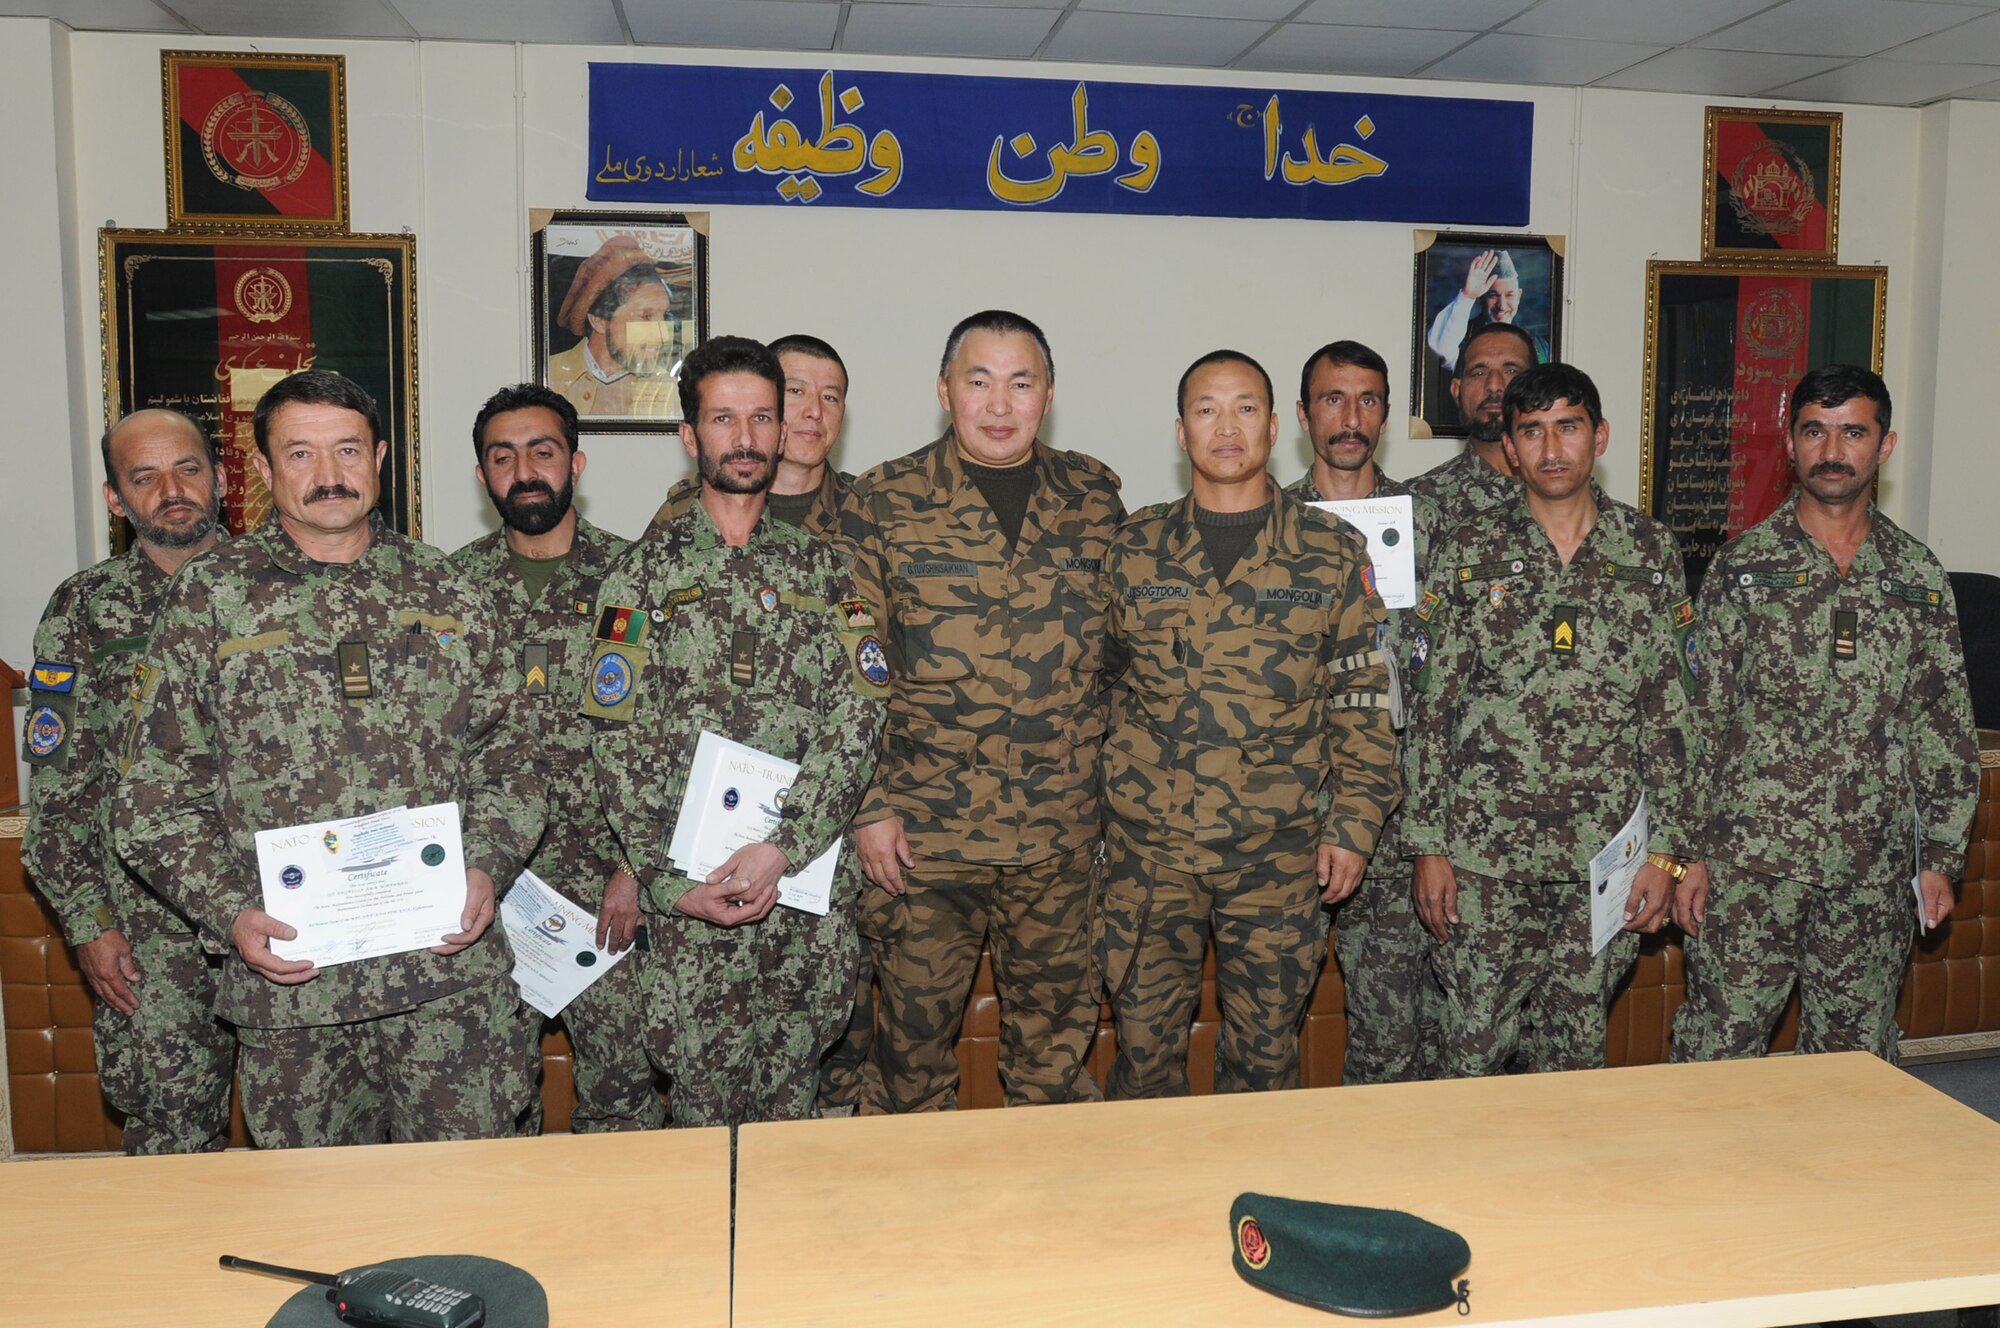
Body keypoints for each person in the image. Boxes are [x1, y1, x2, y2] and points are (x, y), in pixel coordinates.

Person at [113, 370, 545, 1148]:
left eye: (347, 450)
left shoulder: (450, 589)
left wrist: (484, 865)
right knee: (321, 1230)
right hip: (295, 997)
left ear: (380, 456)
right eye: (301, 454)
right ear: (265, 469)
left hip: (444, 983)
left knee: (468, 1210)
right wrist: (230, 913)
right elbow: (152, 799)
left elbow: (513, 761)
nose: (328, 475)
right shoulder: (212, 600)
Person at [586, 335, 888, 1128]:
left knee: (795, 1113)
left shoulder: (827, 574)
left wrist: (783, 844)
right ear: (691, 437)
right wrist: (668, 880)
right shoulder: (637, 579)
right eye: (724, 419)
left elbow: (858, 715)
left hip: (801, 891)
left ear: (784, 433)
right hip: (694, 901)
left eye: (762, 418)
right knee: (700, 1120)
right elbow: (615, 743)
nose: (746, 437)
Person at [1096, 350, 1398, 1098]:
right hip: (1151, 857)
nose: (1225, 427)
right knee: (1142, 1061)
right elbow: (1093, 691)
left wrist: (1354, 826)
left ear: (1274, 425)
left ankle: (1252, 1212)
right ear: (1180, 431)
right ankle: (1146, 1214)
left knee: (1265, 1065)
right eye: (1206, 409)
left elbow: (1363, 700)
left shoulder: (1331, 552)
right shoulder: (1133, 551)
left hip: (1279, 856)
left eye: (1244, 409)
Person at [849, 309, 1123, 1112]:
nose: (999, 405)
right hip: (923, 841)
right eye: (979, 381)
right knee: (909, 1067)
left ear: (1048, 395)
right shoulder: (884, 500)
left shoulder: (1094, 498)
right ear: (945, 391)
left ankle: (1048, 1232)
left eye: (1020, 382)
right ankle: (907, 1233)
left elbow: (1118, 657)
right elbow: (852, 672)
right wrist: (869, 807)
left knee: (1053, 1066)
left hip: (1059, 837)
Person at [1671, 365, 1979, 1063]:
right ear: (1790, 442)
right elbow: (1698, 723)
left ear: (1885, 445)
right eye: (1815, 431)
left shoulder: (1917, 577)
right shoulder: (1744, 568)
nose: (1832, 450)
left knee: (1856, 1067)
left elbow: (1944, 729)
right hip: (1749, 867)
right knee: (1717, 1053)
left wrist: (1941, 857)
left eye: (1852, 433)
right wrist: (1686, 854)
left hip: (1869, 871)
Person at [1405, 362, 1695, 1076]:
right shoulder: (1470, 551)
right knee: (1470, 1052)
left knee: (1573, 1058)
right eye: (1530, 432)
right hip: (1482, 857)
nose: (1551, 448)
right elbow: (1432, 705)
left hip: (1604, 861)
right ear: (1510, 448)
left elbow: (1673, 713)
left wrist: (1668, 854)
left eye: (1567, 427)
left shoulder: (1650, 551)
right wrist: (1427, 844)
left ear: (1599, 437)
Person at [449, 383, 664, 1132]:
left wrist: (638, 866)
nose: (525, 470)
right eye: (502, 456)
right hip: (486, 888)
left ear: (575, 461)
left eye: (542, 451)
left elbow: (669, 733)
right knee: (490, 1103)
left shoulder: (636, 581)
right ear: (482, 476)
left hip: (608, 890)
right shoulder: (447, 592)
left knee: (624, 1094)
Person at [22, 409, 236, 1154]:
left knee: (314, 1135)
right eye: (144, 478)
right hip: (146, 929)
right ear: (117, 500)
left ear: (222, 477)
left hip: (283, 904)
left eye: (187, 468)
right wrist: (86, 921)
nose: (171, 490)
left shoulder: (284, 590)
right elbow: (58, 785)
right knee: (170, 1139)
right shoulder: (81, 608)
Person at [1284, 341, 1443, 1084]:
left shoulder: (1432, 525)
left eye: (1368, 400)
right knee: (1266, 1024)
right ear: (1302, 413)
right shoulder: (1263, 522)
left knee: (1392, 1033)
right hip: (1288, 810)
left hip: (1397, 813)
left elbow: (1456, 678)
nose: (1351, 418)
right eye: (1332, 400)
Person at [548, 235, 685, 419]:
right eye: (646, 316)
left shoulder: (670, 390)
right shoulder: (549, 376)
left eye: (664, 316)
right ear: (600, 320)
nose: (663, 336)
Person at [1409, 324, 1534, 519]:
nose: (1494, 386)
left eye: (1511, 371)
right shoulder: (1419, 501)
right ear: (1457, 391)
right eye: (1479, 373)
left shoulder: (1566, 491)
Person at [1424, 249, 1549, 375]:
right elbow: (1440, 349)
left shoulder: (1538, 345)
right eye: (1493, 295)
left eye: (1509, 295)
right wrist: (1468, 296)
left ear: (1519, 296)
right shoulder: (1461, 338)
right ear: (1481, 296)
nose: (1502, 305)